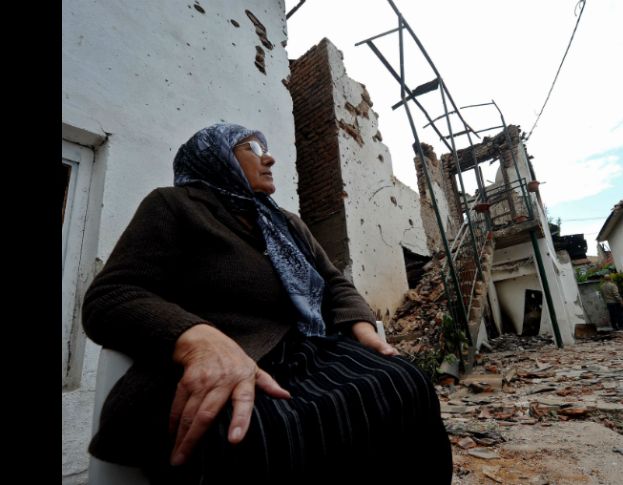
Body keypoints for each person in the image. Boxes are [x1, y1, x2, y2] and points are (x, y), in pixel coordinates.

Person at [82, 123, 453, 484]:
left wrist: (363, 328)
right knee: (262, 434)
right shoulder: (174, 206)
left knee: (406, 382)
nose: (270, 158)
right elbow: (113, 294)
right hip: (228, 362)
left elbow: (333, 281)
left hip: (307, 352)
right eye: (253, 148)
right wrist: (198, 340)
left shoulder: (286, 223)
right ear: (217, 159)